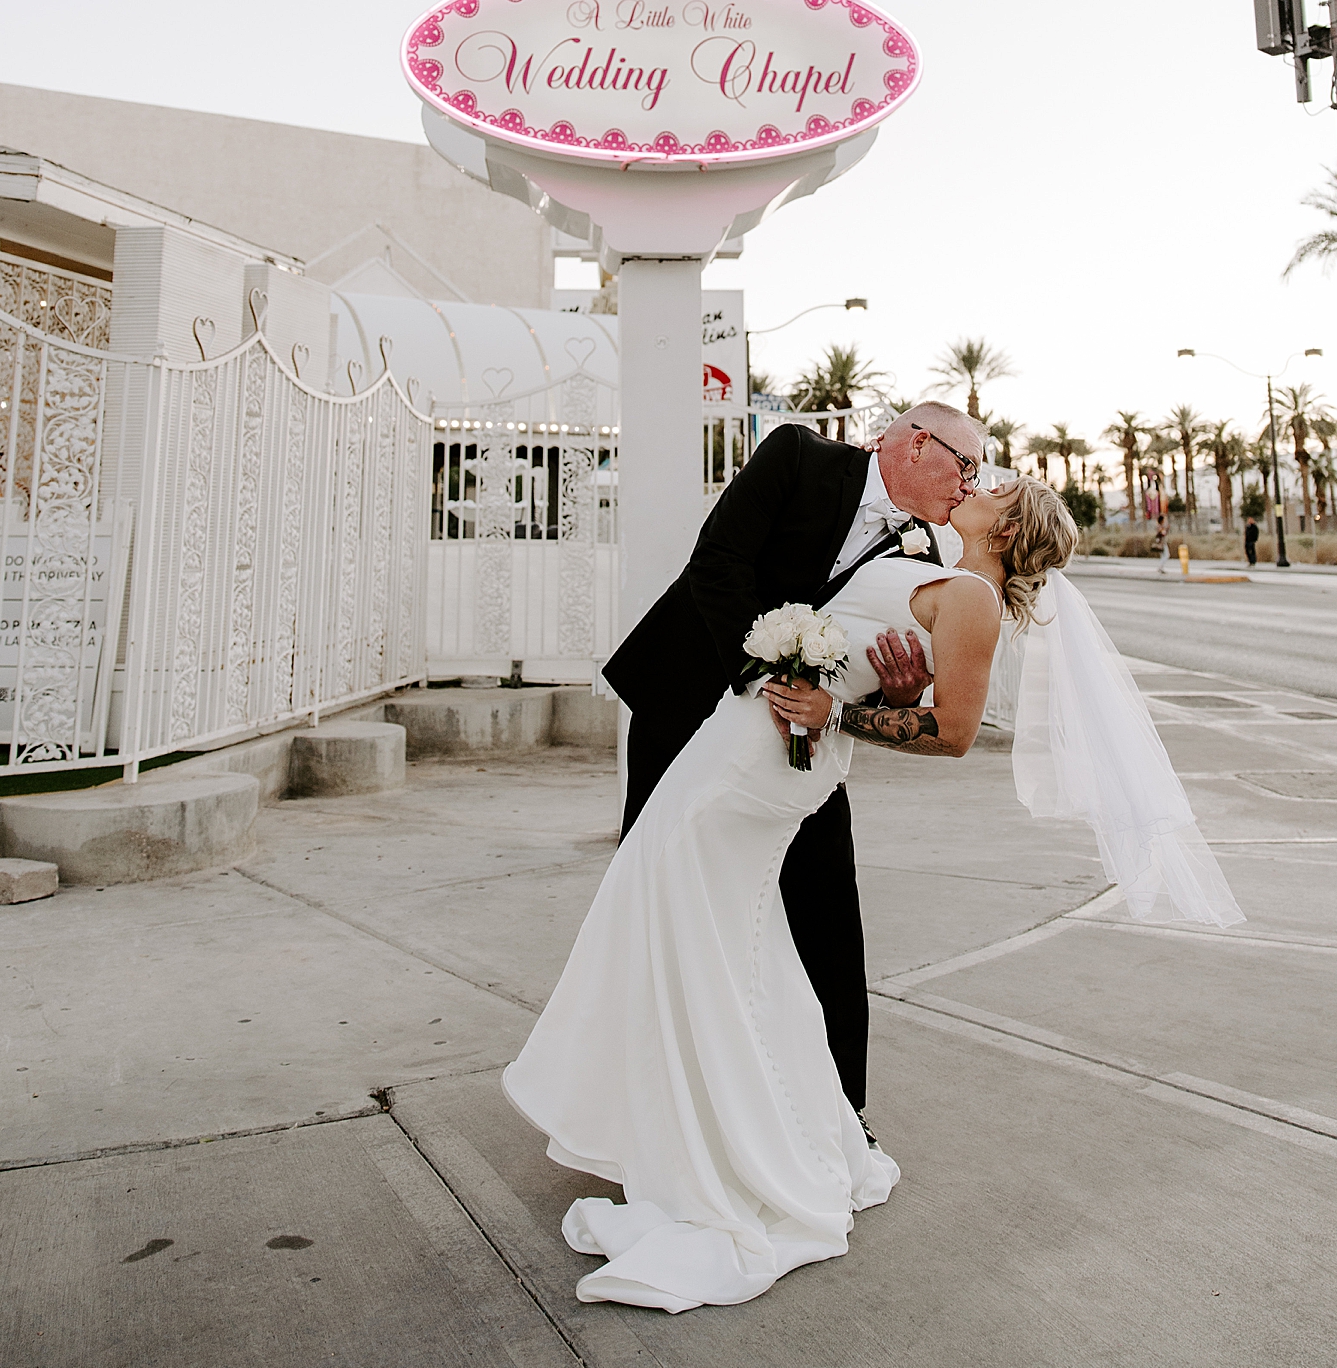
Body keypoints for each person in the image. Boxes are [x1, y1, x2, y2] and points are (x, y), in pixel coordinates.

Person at [503, 473, 1243, 1312]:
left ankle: (723, 1145)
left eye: (997, 487)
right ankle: (735, 1127)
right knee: (722, 939)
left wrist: (836, 711)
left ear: (1005, 531)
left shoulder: (974, 598)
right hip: (741, 747)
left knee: (680, 918)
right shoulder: (936, 565)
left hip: (762, 768)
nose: (981, 482)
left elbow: (954, 732)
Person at [605, 402, 981, 1123]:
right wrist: (769, 677)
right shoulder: (798, 457)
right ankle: (644, 1107)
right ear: (916, 443)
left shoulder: (928, 559)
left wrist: (902, 685)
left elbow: (902, 674)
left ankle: (844, 1116)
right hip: (686, 702)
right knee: (654, 892)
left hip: (802, 751)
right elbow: (717, 564)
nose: (969, 485)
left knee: (827, 915)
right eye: (964, 465)